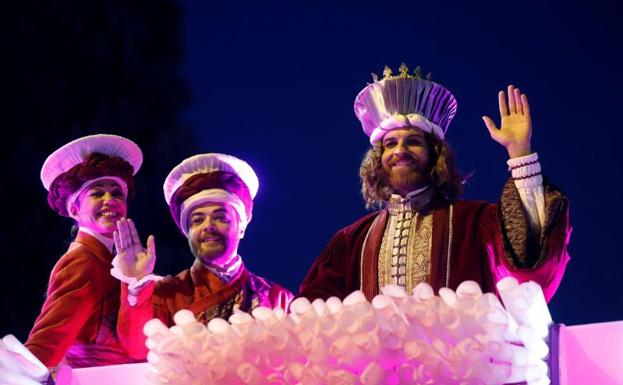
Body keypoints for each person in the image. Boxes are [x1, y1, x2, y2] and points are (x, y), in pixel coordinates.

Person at [299, 64, 571, 302]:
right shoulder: (350, 241)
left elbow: (530, 262)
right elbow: (312, 317)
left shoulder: (475, 223)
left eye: (413, 142)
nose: (400, 151)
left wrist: (519, 152)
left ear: (435, 154)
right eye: (390, 144)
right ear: (377, 158)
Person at [112, 153, 293, 358]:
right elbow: (137, 349)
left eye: (220, 217)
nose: (208, 227)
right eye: (197, 220)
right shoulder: (166, 294)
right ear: (187, 232)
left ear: (241, 226)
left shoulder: (276, 298)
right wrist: (136, 284)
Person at [25, 134, 143, 368]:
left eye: (117, 193)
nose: (110, 200)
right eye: (97, 193)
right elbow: (46, 343)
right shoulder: (83, 262)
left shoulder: (114, 260)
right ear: (74, 208)